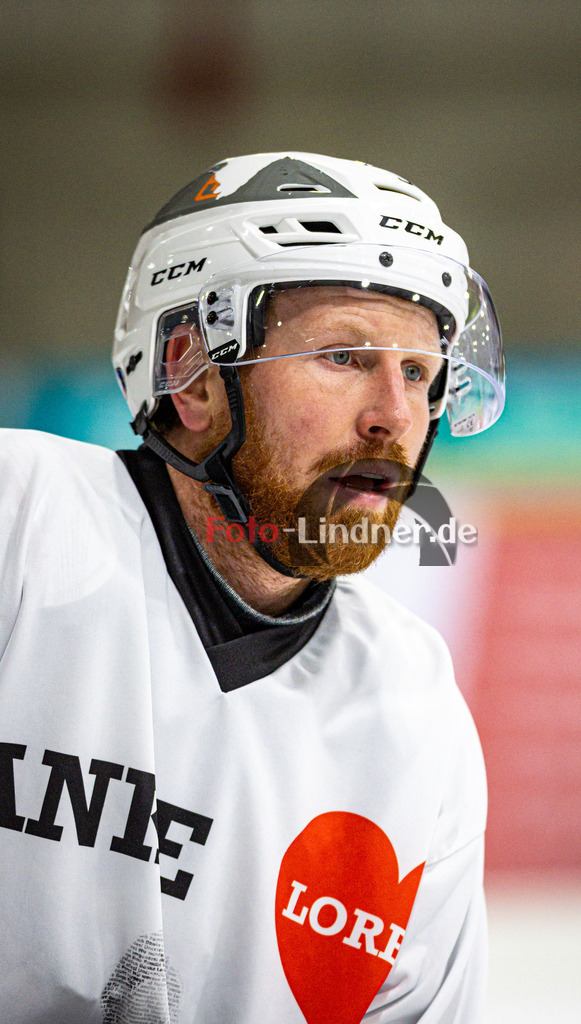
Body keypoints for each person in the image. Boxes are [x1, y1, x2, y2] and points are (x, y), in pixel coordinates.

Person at [0, 152, 505, 1023]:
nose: (394, 416)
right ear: (193, 375)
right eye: (345, 355)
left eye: (419, 373)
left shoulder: (412, 705)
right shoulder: (21, 519)